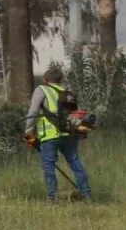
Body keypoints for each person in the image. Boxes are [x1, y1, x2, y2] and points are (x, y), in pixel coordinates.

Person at [23, 64, 92, 203]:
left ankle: (52, 198)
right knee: (75, 162)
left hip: (49, 136)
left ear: (44, 80)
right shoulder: (67, 93)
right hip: (68, 134)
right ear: (61, 80)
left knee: (48, 165)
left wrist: (28, 132)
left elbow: (33, 112)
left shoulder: (41, 89)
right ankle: (86, 195)